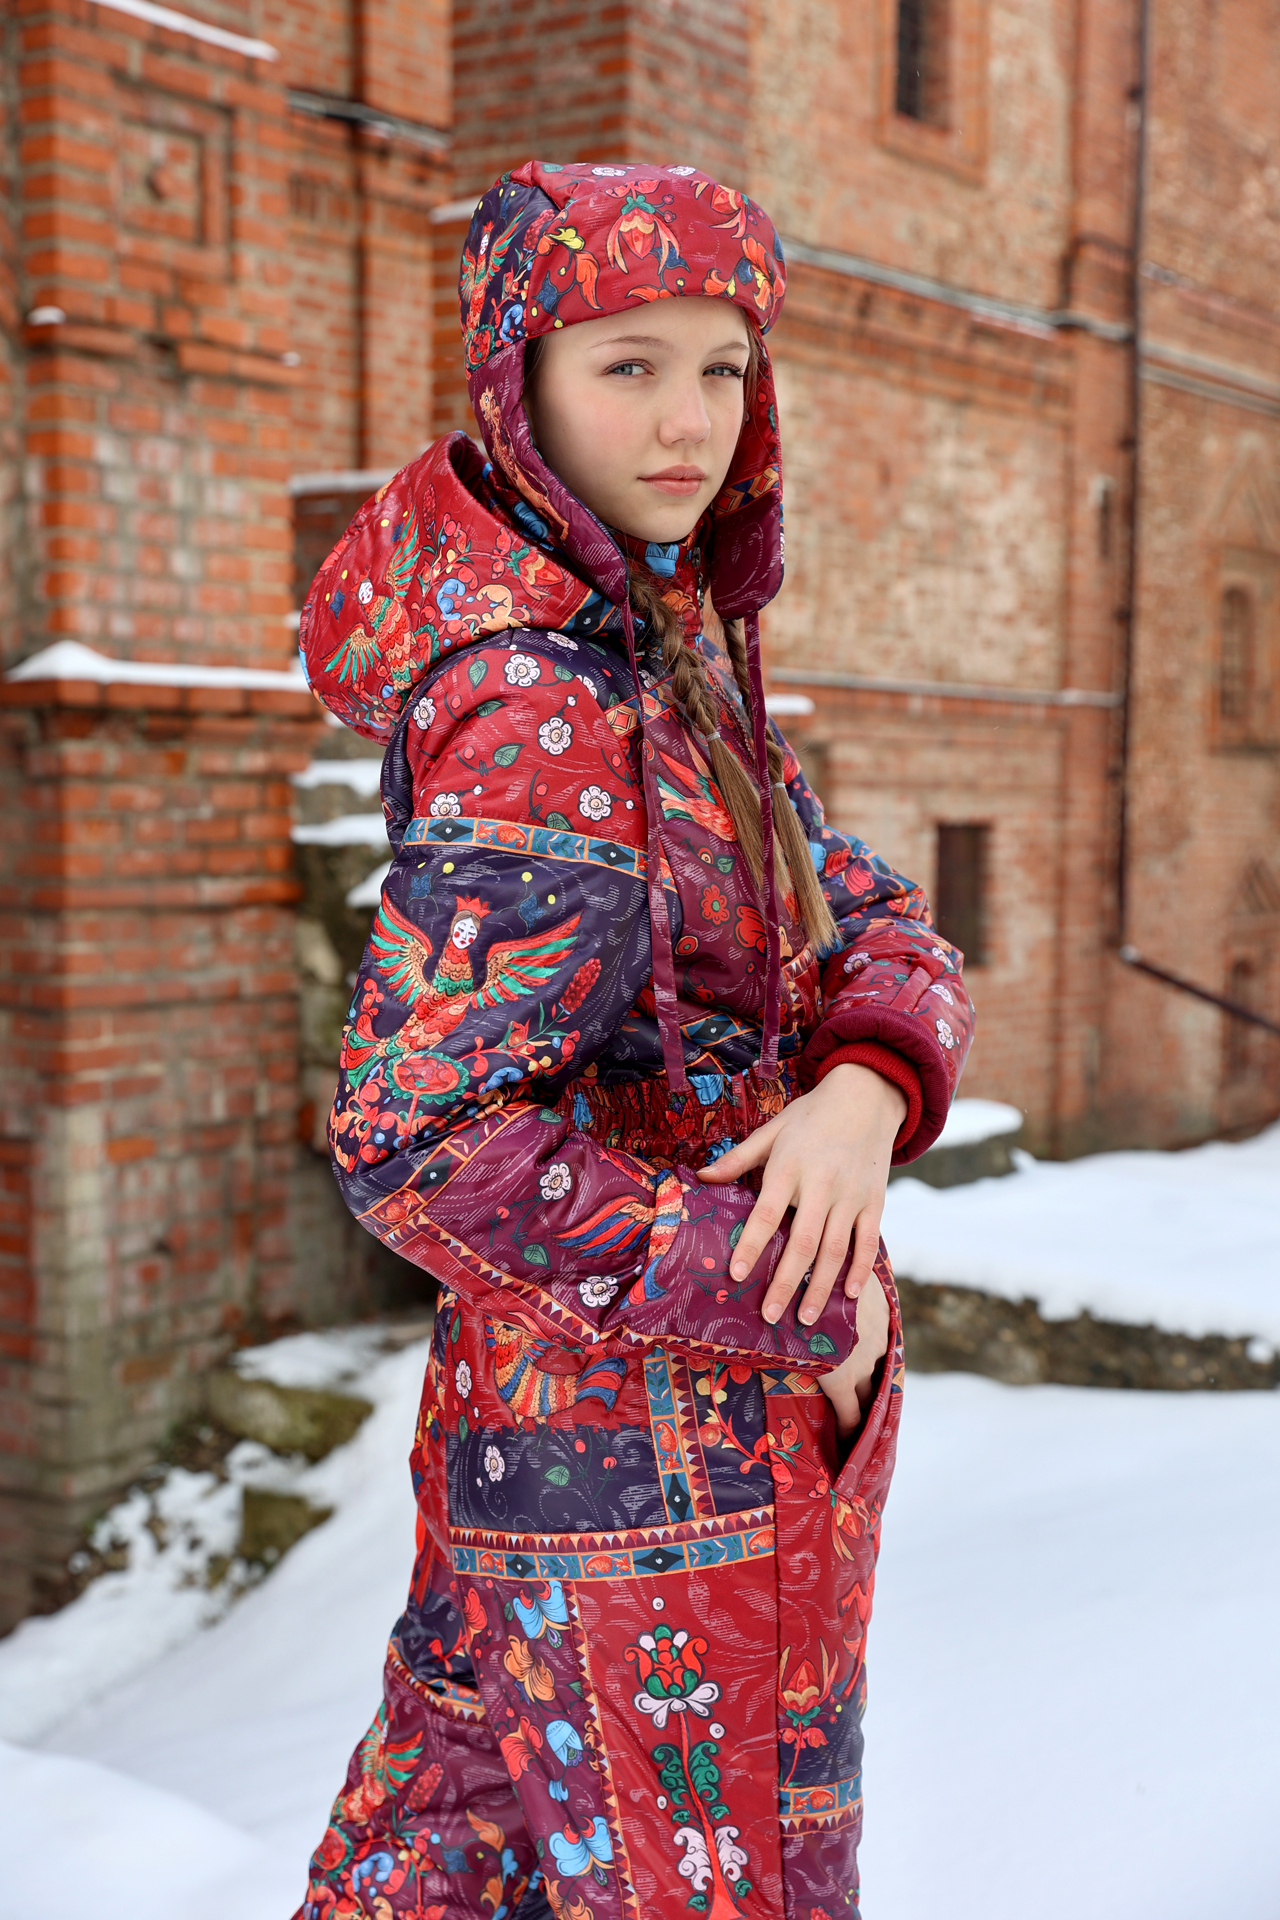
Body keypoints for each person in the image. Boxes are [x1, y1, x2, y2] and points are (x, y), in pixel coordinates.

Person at [294, 161, 973, 1920]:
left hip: (583, 1460)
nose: (690, 421)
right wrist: (791, 1297)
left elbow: (872, 914)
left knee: (436, 1885)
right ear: (516, 381)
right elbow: (417, 1139)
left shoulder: (660, 652)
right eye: (628, 366)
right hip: (649, 1500)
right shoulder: (537, 704)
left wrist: (863, 1087)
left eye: (723, 368)